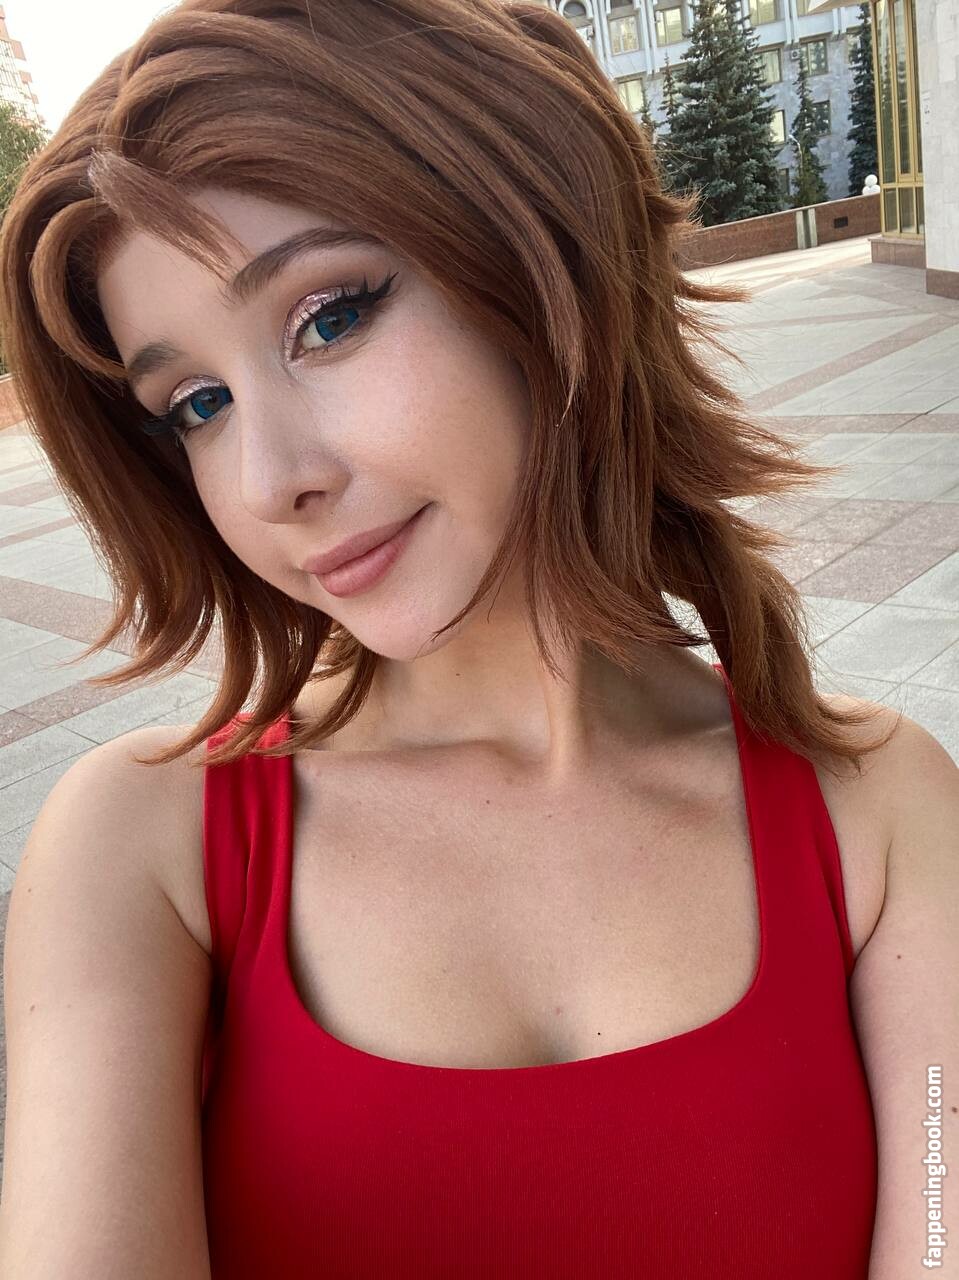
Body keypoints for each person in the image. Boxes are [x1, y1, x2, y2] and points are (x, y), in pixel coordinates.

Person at [0, 1, 955, 1277]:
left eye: (327, 318)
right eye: (199, 402)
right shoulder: (143, 848)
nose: (270, 478)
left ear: (540, 251)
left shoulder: (880, 809)